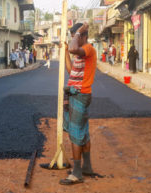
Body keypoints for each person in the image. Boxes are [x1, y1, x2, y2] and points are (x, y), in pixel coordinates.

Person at [60, 23, 97, 185]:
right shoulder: (81, 54)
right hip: (79, 94)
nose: (74, 39)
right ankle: (87, 167)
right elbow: (71, 71)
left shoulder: (88, 48)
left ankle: (76, 173)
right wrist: (65, 52)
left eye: (76, 36)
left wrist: (78, 32)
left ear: (83, 36)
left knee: (75, 134)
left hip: (80, 94)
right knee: (84, 132)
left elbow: (74, 48)